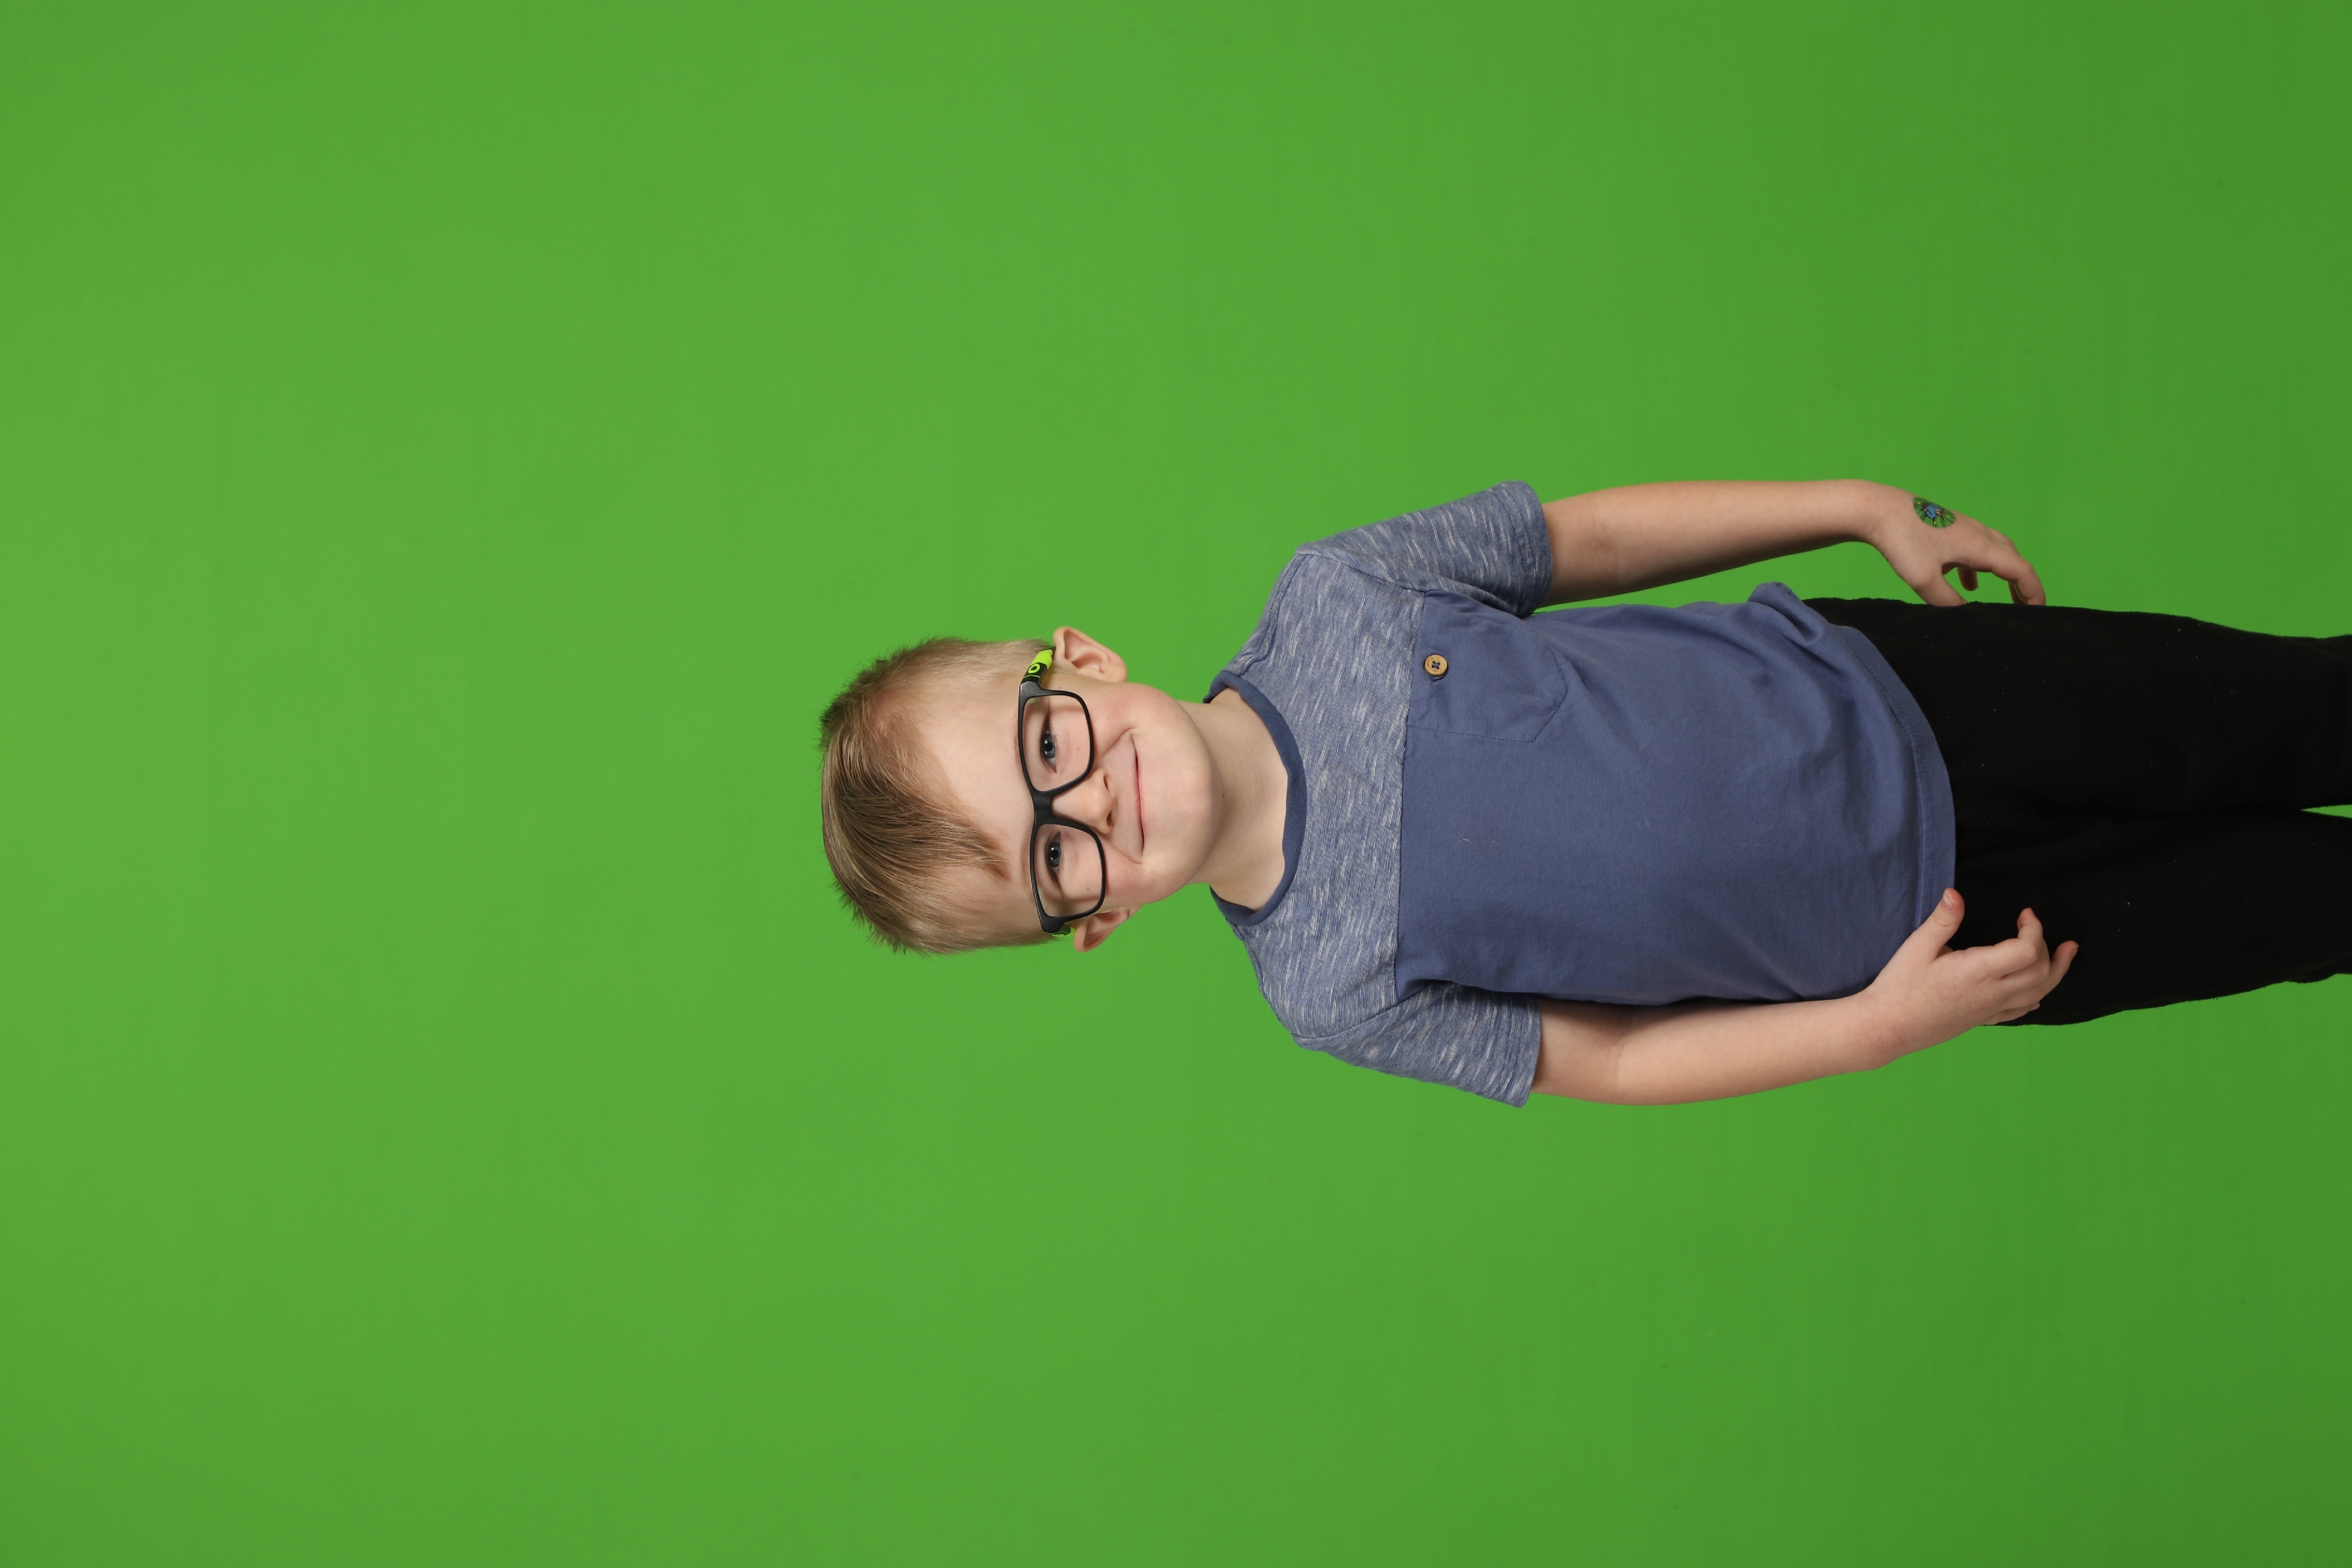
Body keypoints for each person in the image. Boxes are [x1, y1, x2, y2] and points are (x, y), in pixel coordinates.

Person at [818, 481, 2352, 1106]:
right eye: (1055, 862)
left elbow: (1590, 541)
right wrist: (1873, 1030)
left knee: (2304, 710)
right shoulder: (1326, 985)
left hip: (1910, 690)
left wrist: (1852, 507)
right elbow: (1611, 1061)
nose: (1093, 806)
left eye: (1047, 751)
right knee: (2306, 906)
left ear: (1078, 663)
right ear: (1089, 923)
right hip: (1927, 935)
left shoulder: (1336, 596)